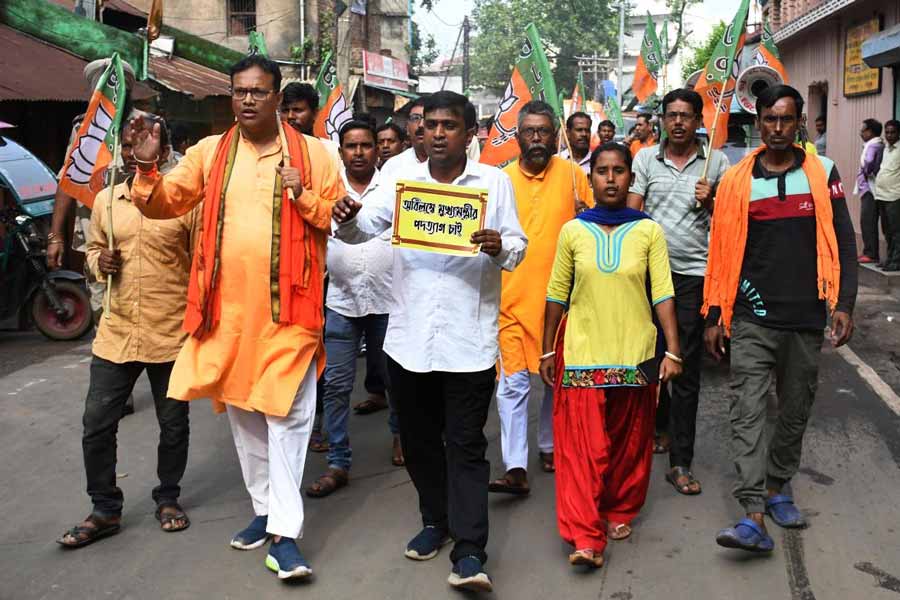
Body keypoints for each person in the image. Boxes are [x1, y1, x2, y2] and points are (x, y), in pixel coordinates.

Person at [128, 55, 343, 581]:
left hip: (289, 315)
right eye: (240, 91)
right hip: (226, 316)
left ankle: (284, 537)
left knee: (289, 422)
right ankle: (264, 509)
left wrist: (303, 190)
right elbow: (164, 204)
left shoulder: (314, 154)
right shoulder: (209, 153)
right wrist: (146, 167)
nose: (248, 100)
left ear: (277, 98)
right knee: (246, 420)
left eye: (259, 92)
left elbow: (335, 215)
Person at [332, 90, 527, 592]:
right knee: (419, 444)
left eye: (449, 125)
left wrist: (499, 245)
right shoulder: (399, 177)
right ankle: (434, 522)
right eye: (431, 124)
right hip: (409, 338)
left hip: (469, 340)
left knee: (464, 445)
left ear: (470, 133)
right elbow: (362, 230)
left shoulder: (494, 183)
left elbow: (518, 248)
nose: (438, 133)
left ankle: (469, 551)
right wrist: (346, 215)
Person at [703, 84, 857, 553]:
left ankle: (777, 486)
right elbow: (722, 251)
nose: (776, 128)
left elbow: (845, 243)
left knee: (794, 410)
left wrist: (845, 303)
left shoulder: (823, 172)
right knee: (746, 412)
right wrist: (715, 314)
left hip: (806, 318)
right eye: (769, 119)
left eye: (785, 120)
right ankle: (752, 512)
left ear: (799, 123)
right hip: (751, 316)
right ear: (758, 122)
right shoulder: (736, 180)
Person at [56, 117, 197, 548]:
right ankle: (104, 509)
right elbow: (94, 252)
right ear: (124, 149)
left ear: (165, 150)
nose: (139, 149)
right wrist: (102, 264)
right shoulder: (107, 201)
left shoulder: (184, 202)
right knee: (96, 424)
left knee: (173, 425)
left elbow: (201, 264)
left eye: (149, 141)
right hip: (116, 333)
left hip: (170, 331)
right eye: (133, 142)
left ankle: (168, 497)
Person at [540, 142, 682, 568]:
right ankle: (585, 536)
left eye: (619, 170)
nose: (611, 178)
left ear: (630, 178)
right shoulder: (573, 231)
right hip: (582, 352)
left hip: (636, 352)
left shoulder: (648, 231)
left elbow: (663, 294)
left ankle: (619, 509)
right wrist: (547, 348)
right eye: (602, 171)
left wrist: (672, 350)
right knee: (581, 448)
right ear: (592, 178)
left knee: (627, 442)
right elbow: (555, 295)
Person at [627, 89, 729, 496]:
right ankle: (651, 433)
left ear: (699, 120)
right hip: (649, 275)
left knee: (683, 366)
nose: (679, 122)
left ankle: (681, 462)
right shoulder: (645, 158)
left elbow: (732, 223)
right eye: (672, 115)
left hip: (692, 278)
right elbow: (633, 213)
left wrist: (713, 201)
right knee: (646, 361)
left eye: (687, 115)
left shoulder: (716, 162)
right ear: (662, 120)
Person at [490, 100, 591, 495]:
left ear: (554, 136)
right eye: (529, 131)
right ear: (517, 137)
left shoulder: (571, 175)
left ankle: (549, 446)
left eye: (543, 131)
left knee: (555, 381)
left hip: (561, 302)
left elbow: (596, 226)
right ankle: (515, 466)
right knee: (512, 385)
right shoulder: (500, 179)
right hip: (510, 303)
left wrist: (587, 213)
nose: (536, 138)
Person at [305, 120, 402, 499]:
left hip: (387, 300)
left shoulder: (394, 188)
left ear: (376, 150)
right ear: (341, 150)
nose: (358, 152)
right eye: (351, 146)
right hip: (341, 301)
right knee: (337, 385)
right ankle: (338, 462)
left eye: (365, 145)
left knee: (394, 381)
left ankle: (400, 438)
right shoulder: (327, 190)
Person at [281, 81, 341, 166]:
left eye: (297, 110)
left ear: (315, 113)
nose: (290, 116)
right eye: (285, 110)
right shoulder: (273, 150)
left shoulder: (331, 151)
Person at [857, 118, 885, 264]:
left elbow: (868, 163)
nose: (860, 133)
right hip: (867, 188)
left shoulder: (874, 146)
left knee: (867, 220)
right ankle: (869, 251)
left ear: (871, 132)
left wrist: (866, 172)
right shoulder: (874, 145)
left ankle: (871, 253)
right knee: (867, 220)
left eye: (863, 130)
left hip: (870, 188)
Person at [380, 95, 429, 178]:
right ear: (407, 127)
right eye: (415, 118)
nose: (421, 125)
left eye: (427, 118)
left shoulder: (453, 165)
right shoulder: (392, 167)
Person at [875, 120, 900, 271]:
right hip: (881, 195)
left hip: (895, 196)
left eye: (893, 132)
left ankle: (896, 261)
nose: (889, 135)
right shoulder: (885, 149)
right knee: (887, 230)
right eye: (887, 132)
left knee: (896, 231)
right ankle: (889, 258)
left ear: (898, 133)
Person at [559, 111, 592, 176]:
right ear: (568, 133)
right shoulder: (556, 161)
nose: (584, 134)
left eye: (587, 130)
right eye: (579, 130)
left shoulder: (597, 161)